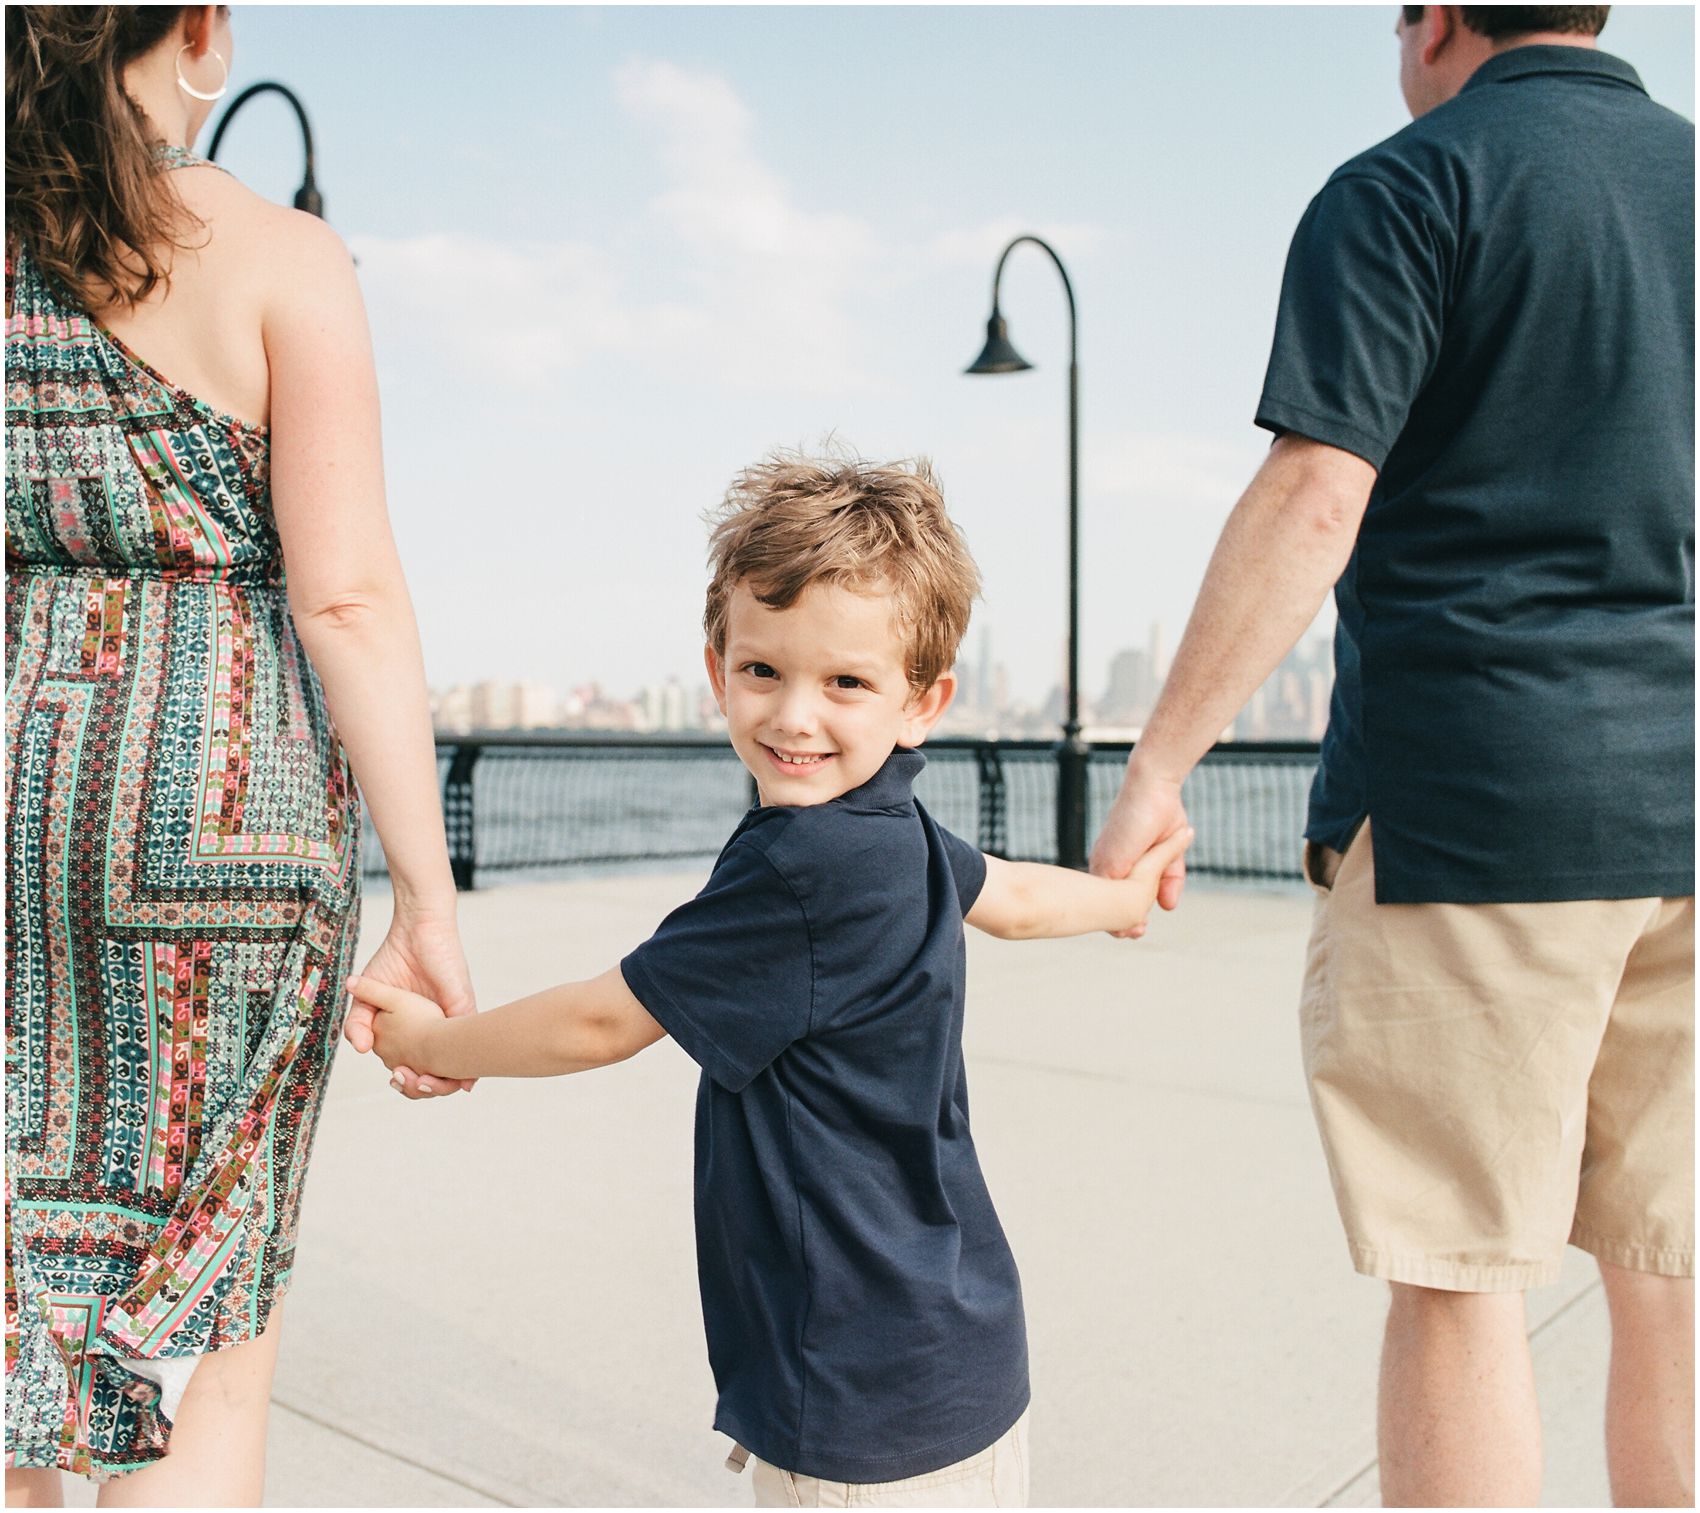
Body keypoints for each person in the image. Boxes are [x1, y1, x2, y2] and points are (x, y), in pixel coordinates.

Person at [1091, 5, 1693, 1505]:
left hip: (1473, 814)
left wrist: (1161, 769)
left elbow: (1315, 492)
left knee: (1459, 1276)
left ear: (1431, 17)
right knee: (1671, 1270)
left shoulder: (1412, 185)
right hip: (1689, 807)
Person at [346, 453, 1191, 1509]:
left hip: (852, 1383)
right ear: (717, 670)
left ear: (922, 701)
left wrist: (430, 1043)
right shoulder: (896, 831)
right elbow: (1012, 897)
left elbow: (604, 1020)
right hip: (957, 1348)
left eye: (843, 682)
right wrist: (1123, 899)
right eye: (763, 672)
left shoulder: (797, 868)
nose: (795, 715)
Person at [4, 6, 474, 1505]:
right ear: (196, 28)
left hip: (18, 780)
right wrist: (428, 896)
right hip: (222, 803)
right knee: (207, 1337)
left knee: (16, 1281)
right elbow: (344, 595)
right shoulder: (278, 254)